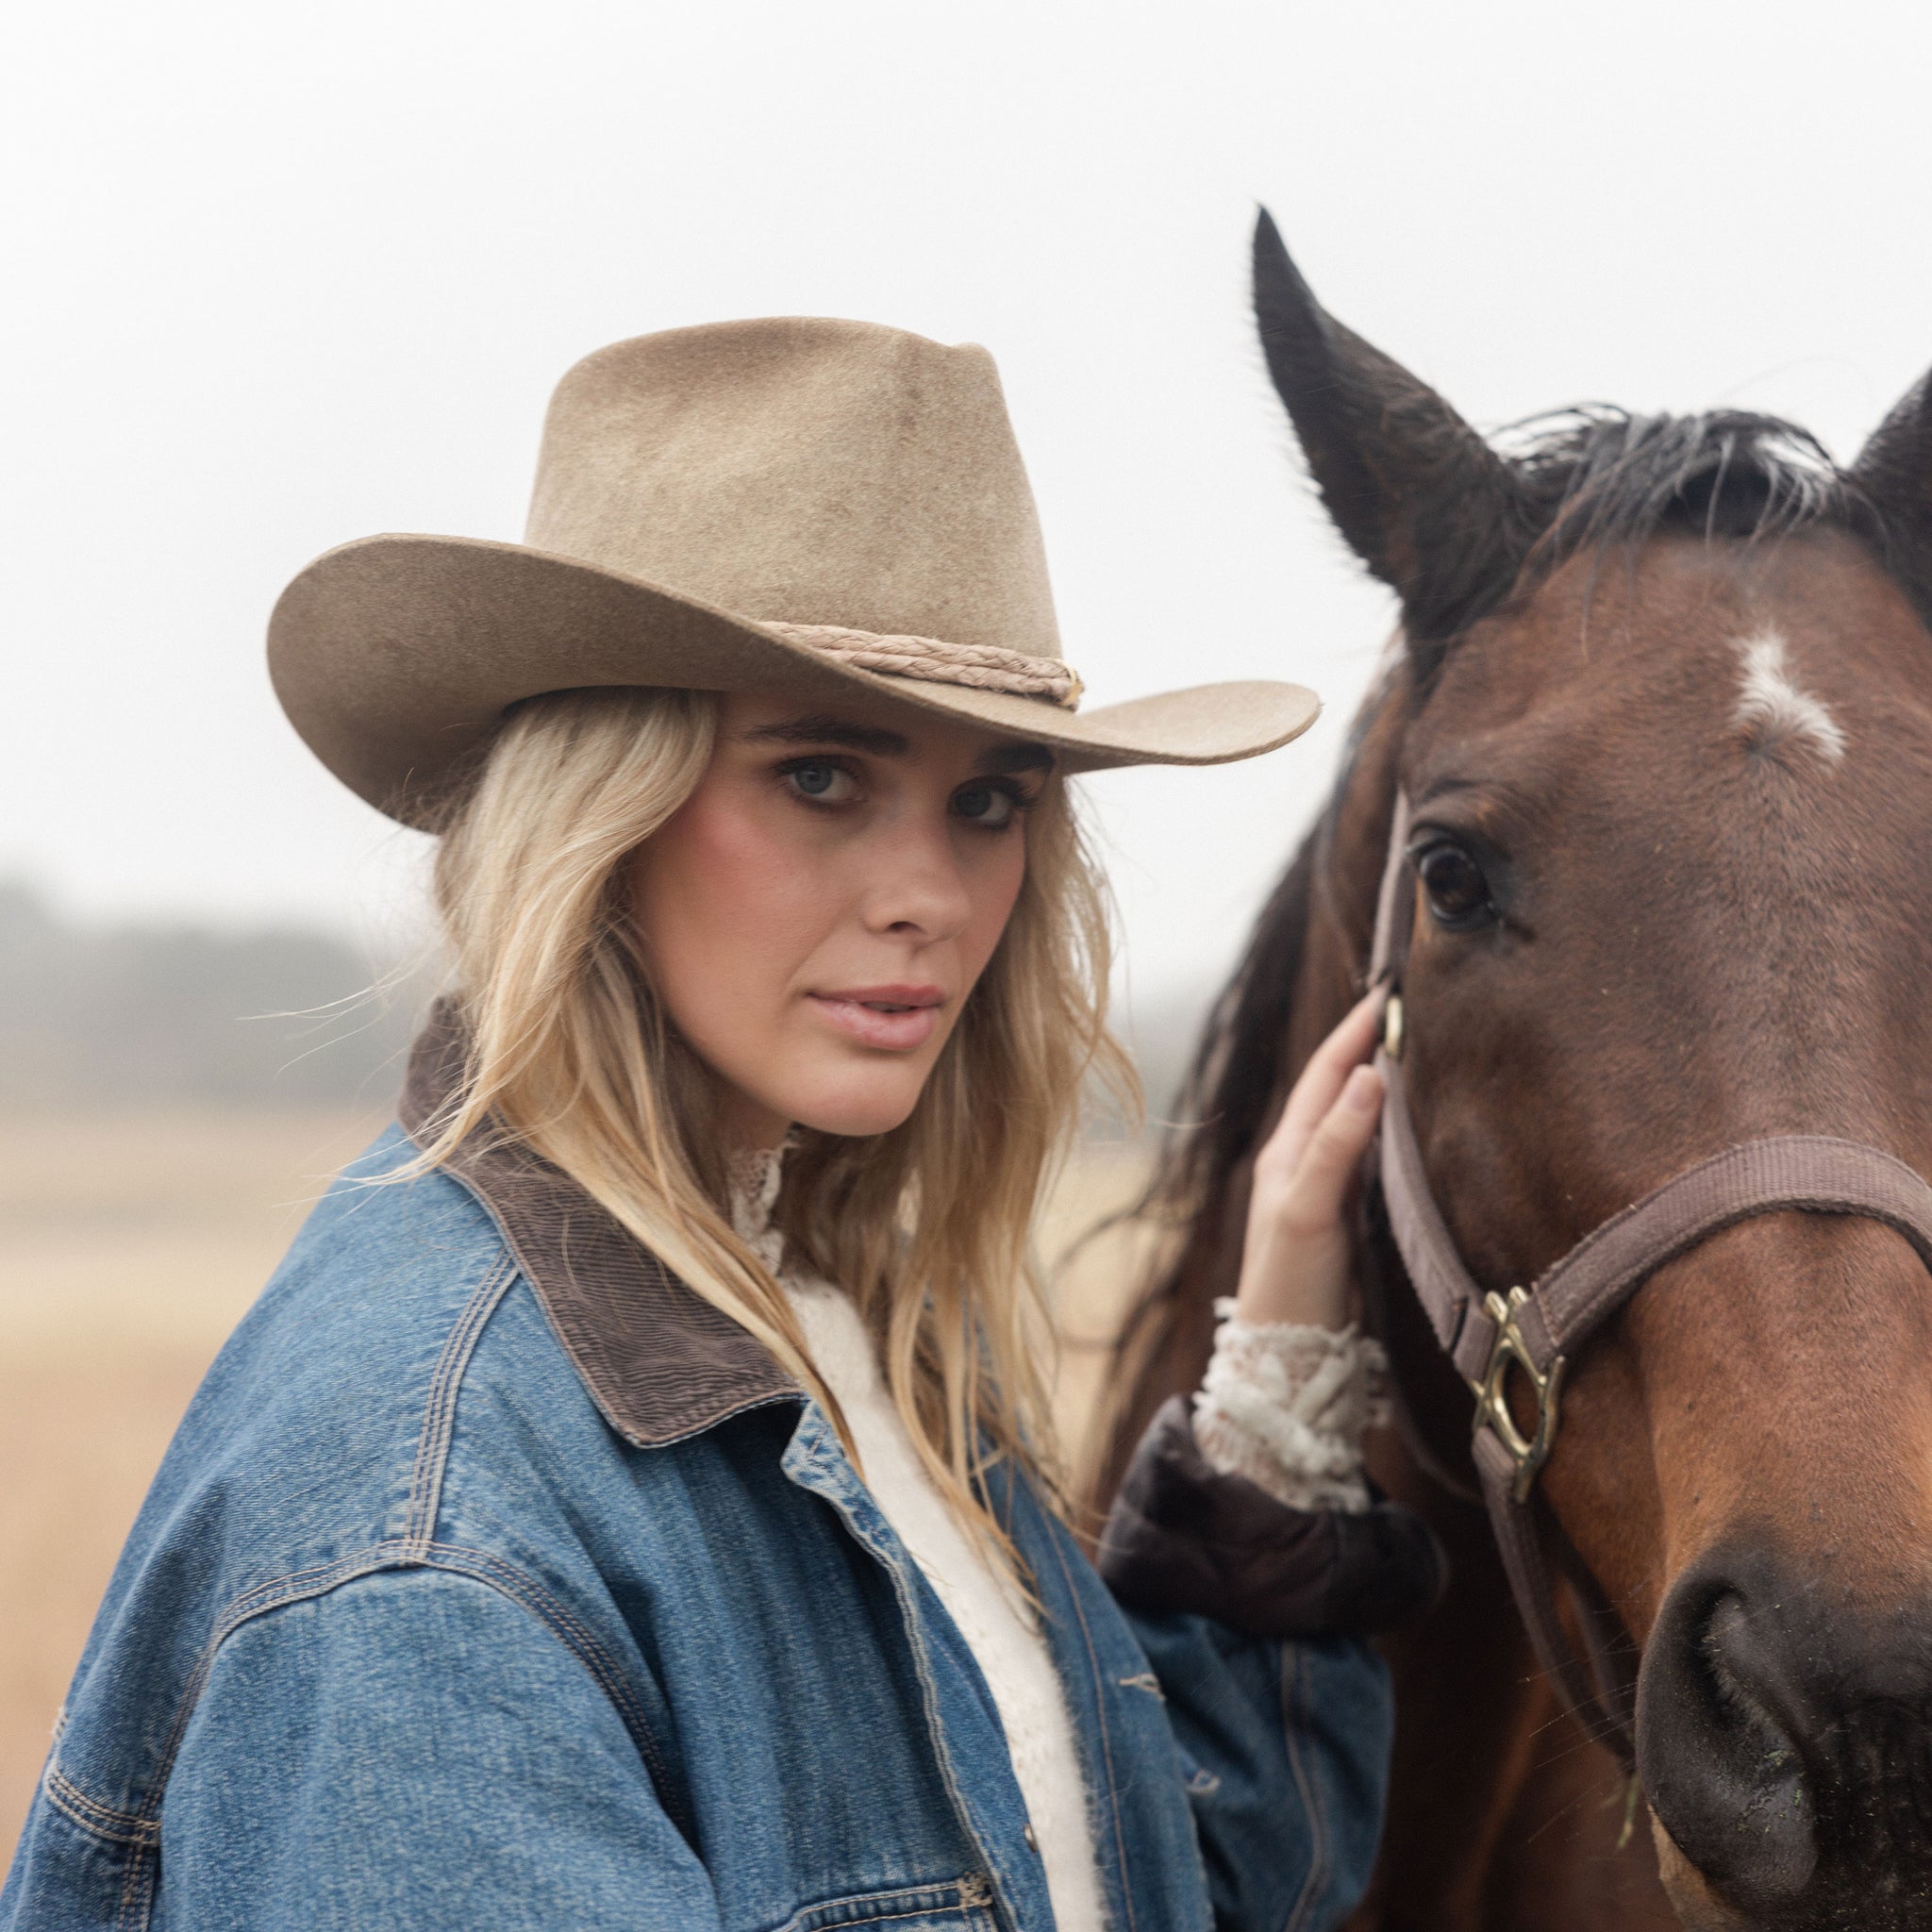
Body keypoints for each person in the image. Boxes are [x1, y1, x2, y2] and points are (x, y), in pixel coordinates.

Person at [1, 317, 1441, 1932]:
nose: (931, 898)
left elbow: (1166, 1892)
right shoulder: (428, 1535)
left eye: (992, 798)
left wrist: (1282, 1380)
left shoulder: (817, 1323)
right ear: (599, 805)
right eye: (823, 775)